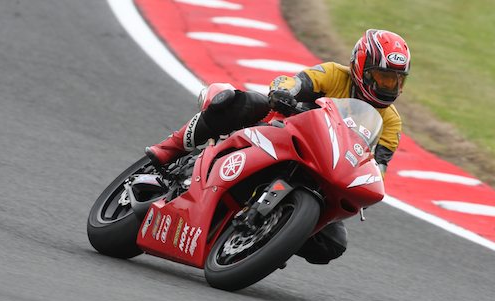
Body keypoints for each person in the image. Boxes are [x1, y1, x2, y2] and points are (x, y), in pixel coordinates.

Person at [145, 29, 411, 264]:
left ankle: (271, 235)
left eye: (397, 80)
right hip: (283, 133)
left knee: (332, 243)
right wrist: (284, 93)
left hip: (326, 170)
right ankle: (169, 148)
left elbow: (378, 166)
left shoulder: (391, 121)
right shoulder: (333, 74)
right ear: (361, 68)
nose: (390, 87)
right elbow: (294, 82)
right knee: (243, 102)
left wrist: (365, 185)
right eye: (383, 77)